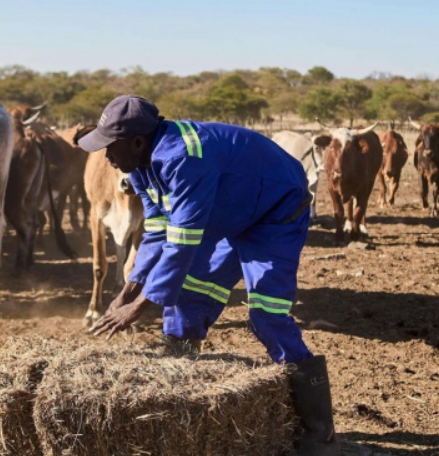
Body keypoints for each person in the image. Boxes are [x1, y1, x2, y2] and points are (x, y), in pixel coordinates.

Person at [81, 95, 340, 456]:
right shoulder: (139, 165)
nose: (105, 156)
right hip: (231, 211)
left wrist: (139, 305)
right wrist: (128, 290)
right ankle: (179, 400)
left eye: (110, 145)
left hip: (276, 210)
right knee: (188, 296)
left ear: (137, 141)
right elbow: (157, 231)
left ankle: (320, 433)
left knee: (267, 316)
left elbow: (182, 244)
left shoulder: (184, 159)